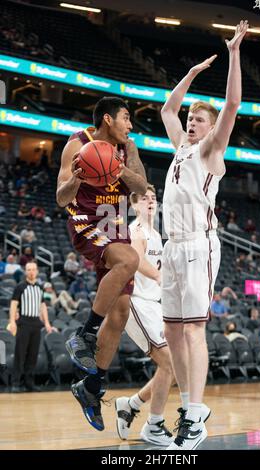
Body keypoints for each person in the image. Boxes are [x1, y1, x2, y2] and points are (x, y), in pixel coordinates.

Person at [160, 20, 249, 450]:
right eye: (191, 118)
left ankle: (197, 413)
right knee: (173, 331)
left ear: (210, 128)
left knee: (194, 329)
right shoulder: (180, 145)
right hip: (171, 249)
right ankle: (187, 407)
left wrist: (233, 53)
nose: (191, 122)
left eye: (199, 119)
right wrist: (192, 74)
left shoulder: (211, 150)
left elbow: (232, 103)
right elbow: (165, 109)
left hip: (198, 244)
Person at [56, 96, 147, 430]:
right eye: (126, 118)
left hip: (116, 226)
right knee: (130, 259)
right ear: (108, 119)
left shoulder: (128, 148)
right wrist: (78, 178)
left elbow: (140, 189)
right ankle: (84, 334)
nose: (130, 125)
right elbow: (61, 198)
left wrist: (118, 166)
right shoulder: (77, 144)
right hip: (87, 222)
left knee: (121, 312)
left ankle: (90, 388)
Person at [115, 185, 211, 445]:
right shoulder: (135, 230)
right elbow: (136, 259)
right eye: (144, 199)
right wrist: (160, 276)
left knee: (175, 364)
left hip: (155, 304)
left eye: (153, 198)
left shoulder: (157, 234)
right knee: (170, 363)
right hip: (136, 303)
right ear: (134, 205)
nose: (150, 201)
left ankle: (132, 405)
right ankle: (153, 423)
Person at [9, 261, 53, 392]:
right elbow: (13, 305)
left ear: (37, 271)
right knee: (20, 354)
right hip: (23, 323)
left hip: (36, 324)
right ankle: (16, 383)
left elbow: (43, 306)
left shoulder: (40, 287)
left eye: (33, 269)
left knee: (32, 355)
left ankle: (29, 383)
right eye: (29, 269)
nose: (31, 272)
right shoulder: (20, 287)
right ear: (25, 272)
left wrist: (47, 323)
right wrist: (12, 321)